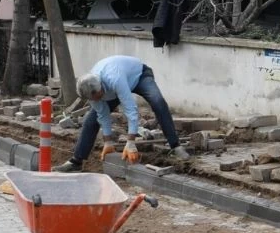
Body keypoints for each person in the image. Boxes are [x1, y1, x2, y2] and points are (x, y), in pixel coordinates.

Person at [54, 55, 191, 172]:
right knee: (91, 119)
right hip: (116, 83)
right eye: (93, 99)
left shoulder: (114, 79)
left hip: (139, 75)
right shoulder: (91, 89)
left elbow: (131, 110)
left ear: (100, 88)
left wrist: (130, 141)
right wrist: (108, 141)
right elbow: (102, 114)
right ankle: (76, 161)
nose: (97, 101)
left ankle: (175, 145)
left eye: (97, 97)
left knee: (158, 101)